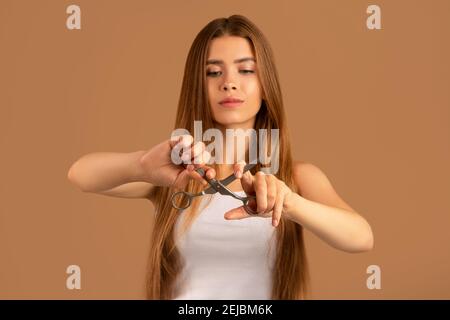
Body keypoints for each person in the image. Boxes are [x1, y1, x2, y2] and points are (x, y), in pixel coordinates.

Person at [67, 14, 374, 300]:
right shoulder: (176, 175)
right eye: (214, 72)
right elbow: (80, 175)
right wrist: (143, 165)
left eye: (246, 69)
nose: (229, 82)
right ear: (198, 86)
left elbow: (361, 237)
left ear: (265, 85)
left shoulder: (296, 177)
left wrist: (290, 203)